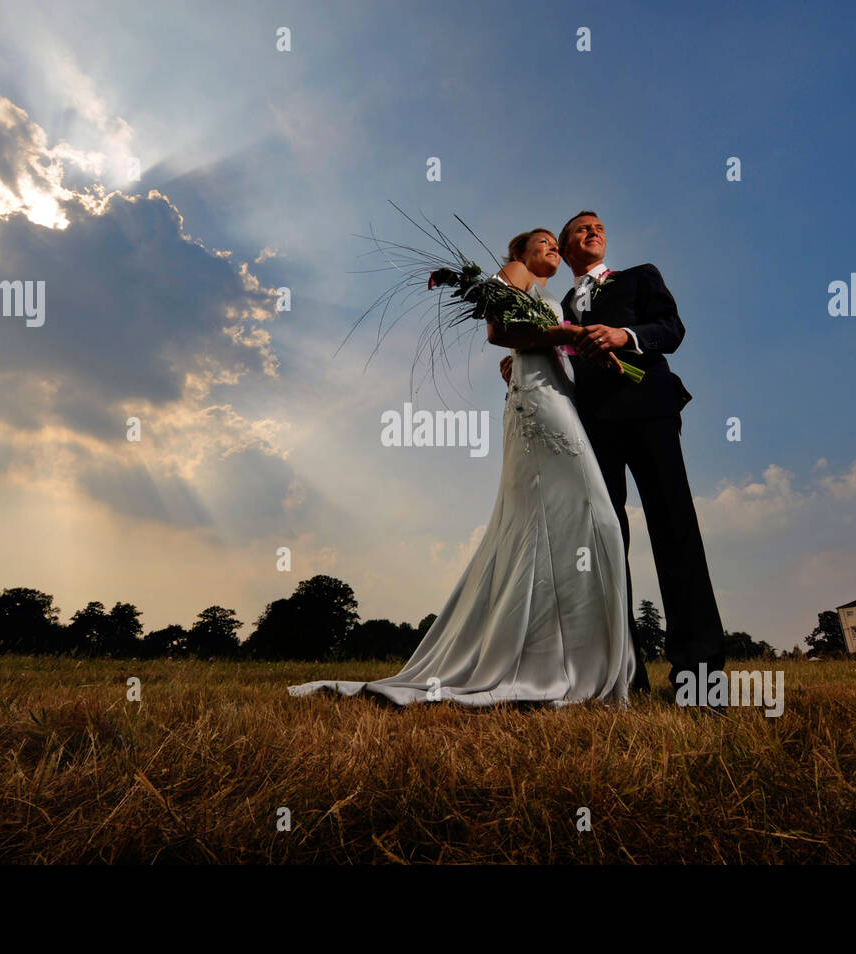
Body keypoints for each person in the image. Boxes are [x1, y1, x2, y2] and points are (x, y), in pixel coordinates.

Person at [288, 228, 638, 706]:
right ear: (519, 253)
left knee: (567, 523)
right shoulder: (516, 274)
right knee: (591, 514)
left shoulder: (547, 293)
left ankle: (554, 656)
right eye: (543, 242)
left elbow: (528, 340)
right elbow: (499, 331)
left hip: (556, 397)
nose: (552, 247)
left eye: (554, 243)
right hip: (542, 410)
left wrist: (568, 347)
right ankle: (552, 662)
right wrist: (566, 335)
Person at [500, 211, 725, 701]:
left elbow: (672, 328)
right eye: (581, 230)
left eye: (598, 226)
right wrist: (521, 360)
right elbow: (547, 355)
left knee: (675, 530)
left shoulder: (641, 276)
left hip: (650, 412)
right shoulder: (554, 306)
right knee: (602, 544)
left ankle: (700, 677)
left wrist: (626, 337)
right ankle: (624, 673)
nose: (593, 232)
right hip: (589, 428)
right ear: (563, 247)